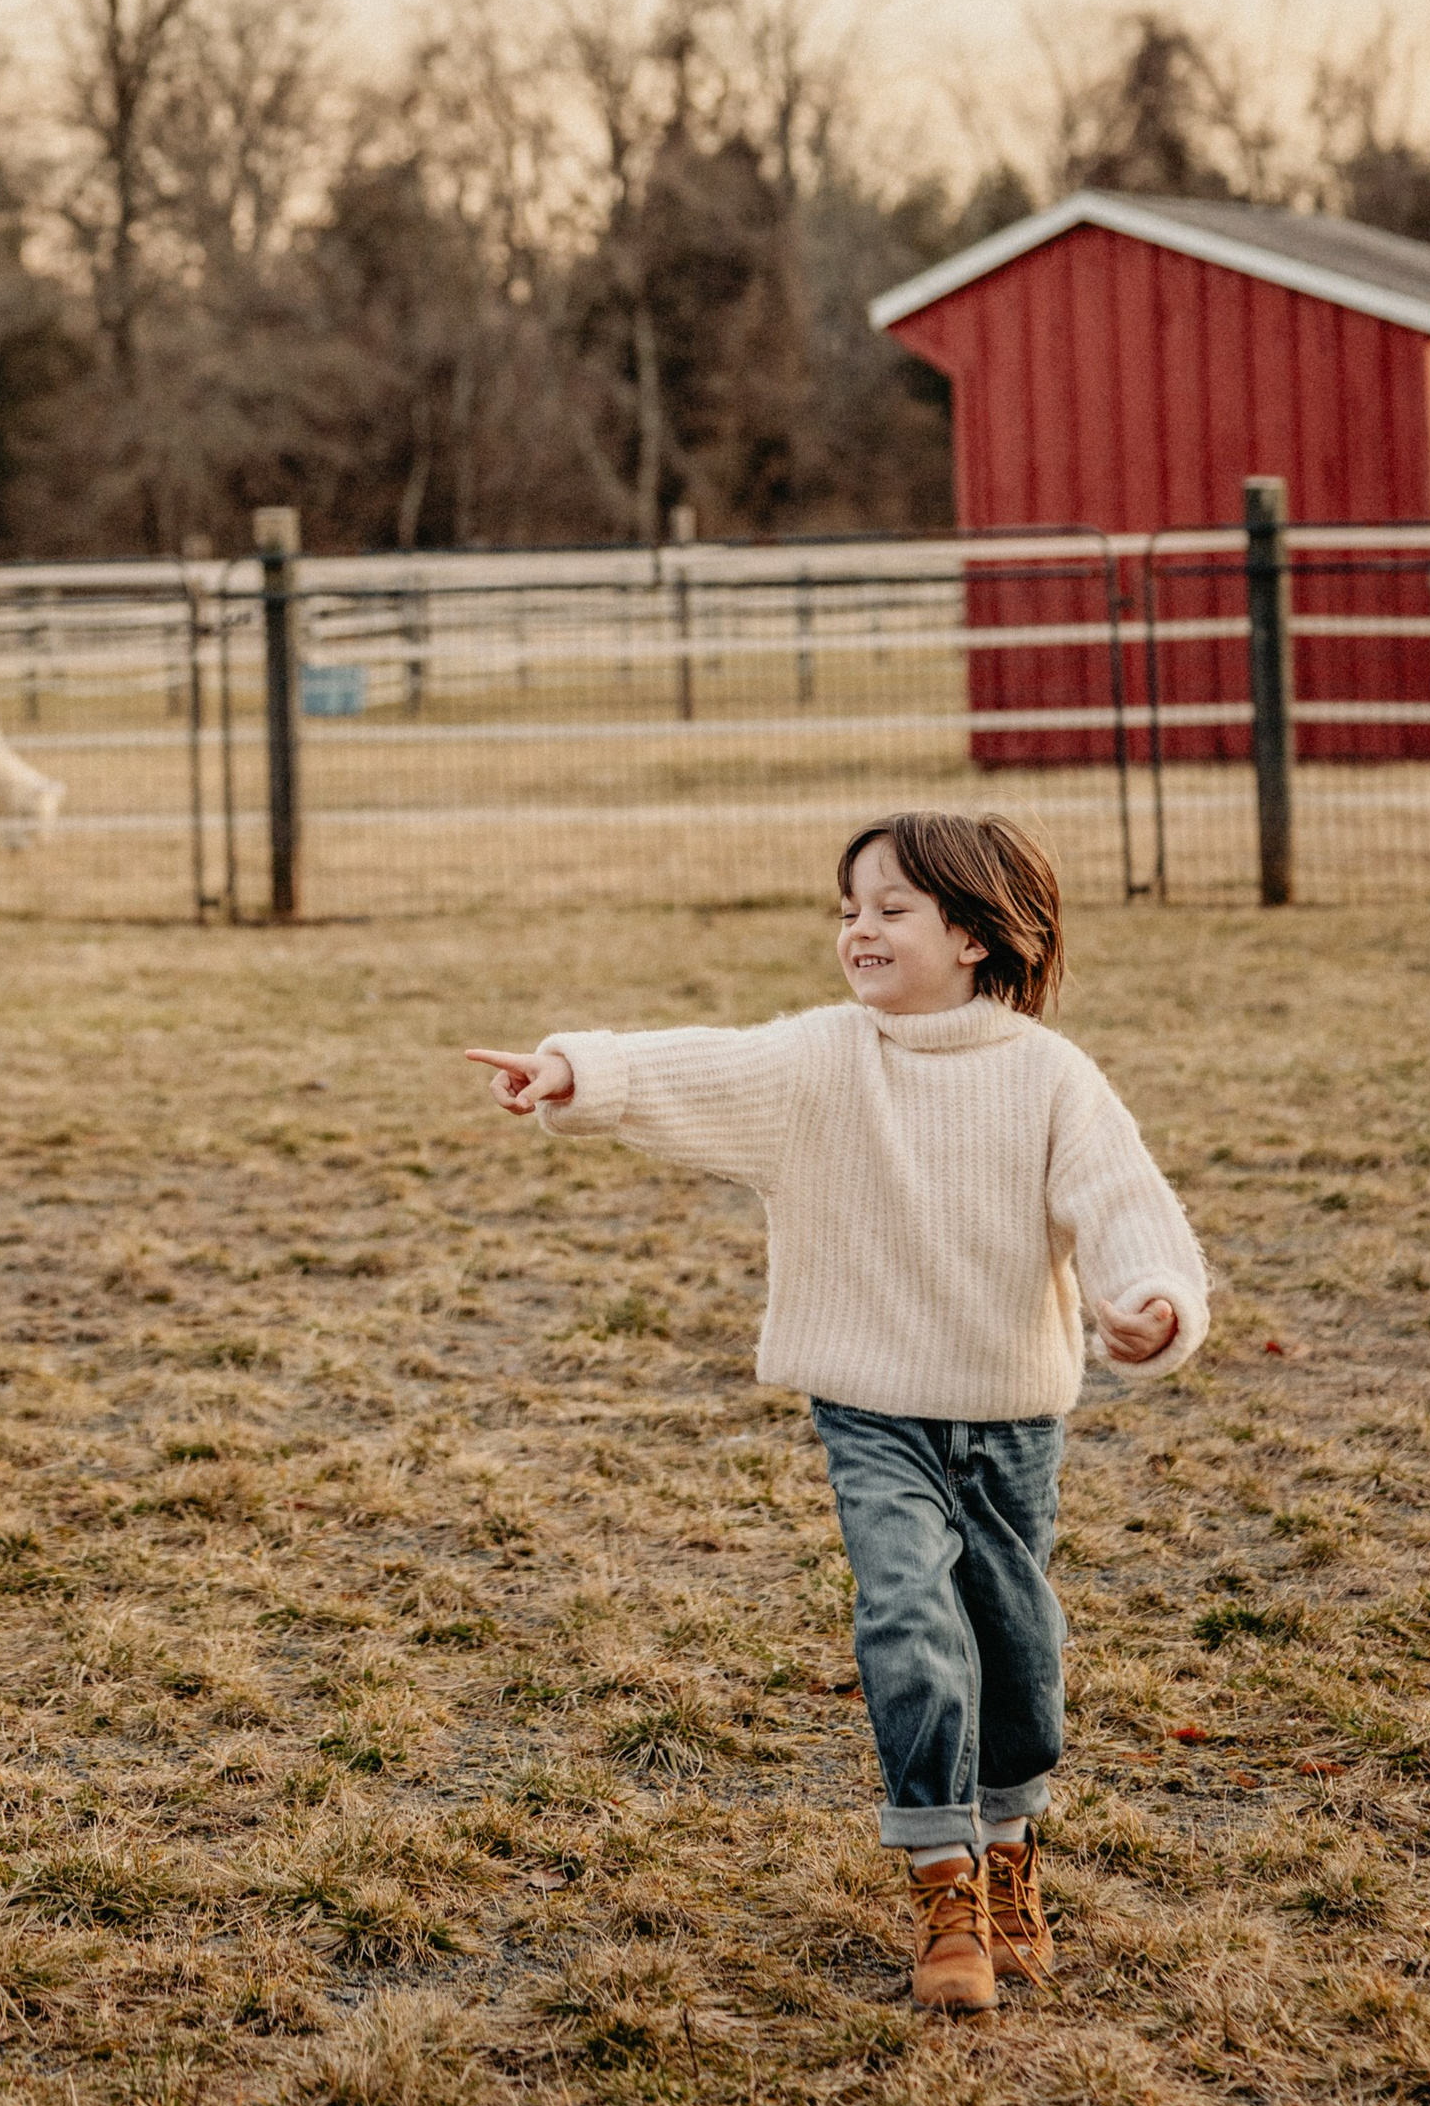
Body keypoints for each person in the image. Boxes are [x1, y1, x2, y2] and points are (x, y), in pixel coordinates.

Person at [466, 808, 1206, 2017]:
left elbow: (1123, 1204)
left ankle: (1012, 1852)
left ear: (973, 936)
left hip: (1009, 1413)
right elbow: (698, 1064)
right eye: (848, 908)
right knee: (907, 1622)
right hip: (869, 1406)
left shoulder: (1049, 1077)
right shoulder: (822, 1059)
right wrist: (576, 1072)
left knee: (1017, 1654)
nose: (859, 929)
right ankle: (941, 1885)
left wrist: (1153, 1304)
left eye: (891, 909)